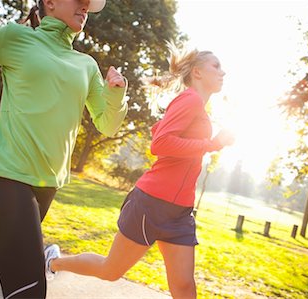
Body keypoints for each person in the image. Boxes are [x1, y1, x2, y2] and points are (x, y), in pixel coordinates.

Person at [0, 0, 128, 298]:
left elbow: (107, 124)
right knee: (30, 291)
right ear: (50, 3)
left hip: (46, 187)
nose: (85, 6)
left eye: (88, 3)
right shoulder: (14, 38)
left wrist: (116, 94)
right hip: (7, 177)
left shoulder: (86, 65)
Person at [44, 42, 235, 299]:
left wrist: (210, 144)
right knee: (110, 270)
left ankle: (53, 261)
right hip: (152, 204)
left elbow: (163, 133)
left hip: (179, 212)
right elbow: (161, 144)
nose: (223, 72)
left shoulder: (197, 106)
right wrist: (212, 144)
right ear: (198, 73)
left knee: (184, 288)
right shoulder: (189, 99)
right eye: (216, 66)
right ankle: (53, 262)